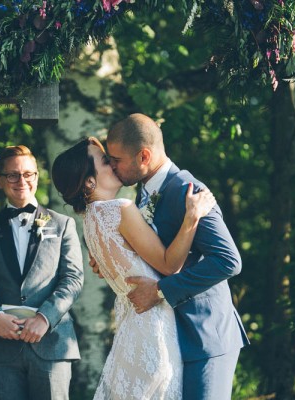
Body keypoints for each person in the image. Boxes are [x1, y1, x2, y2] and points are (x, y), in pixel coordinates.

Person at [51, 137, 217, 399]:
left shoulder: (89, 221)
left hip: (131, 326)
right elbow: (169, 265)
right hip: (154, 323)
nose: (114, 165)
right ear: (89, 181)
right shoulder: (121, 209)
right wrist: (192, 218)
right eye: (106, 161)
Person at [100, 113, 250, 400]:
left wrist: (159, 291)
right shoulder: (143, 191)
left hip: (203, 336)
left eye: (116, 159)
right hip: (169, 337)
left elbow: (228, 261)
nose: (112, 166)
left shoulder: (188, 191)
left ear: (144, 156)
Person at [0, 145, 84, 400]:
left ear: (37, 177)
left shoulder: (63, 224)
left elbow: (73, 279)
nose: (22, 181)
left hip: (52, 343)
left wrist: (45, 317)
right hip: (1, 348)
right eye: (13, 175)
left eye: (28, 174)